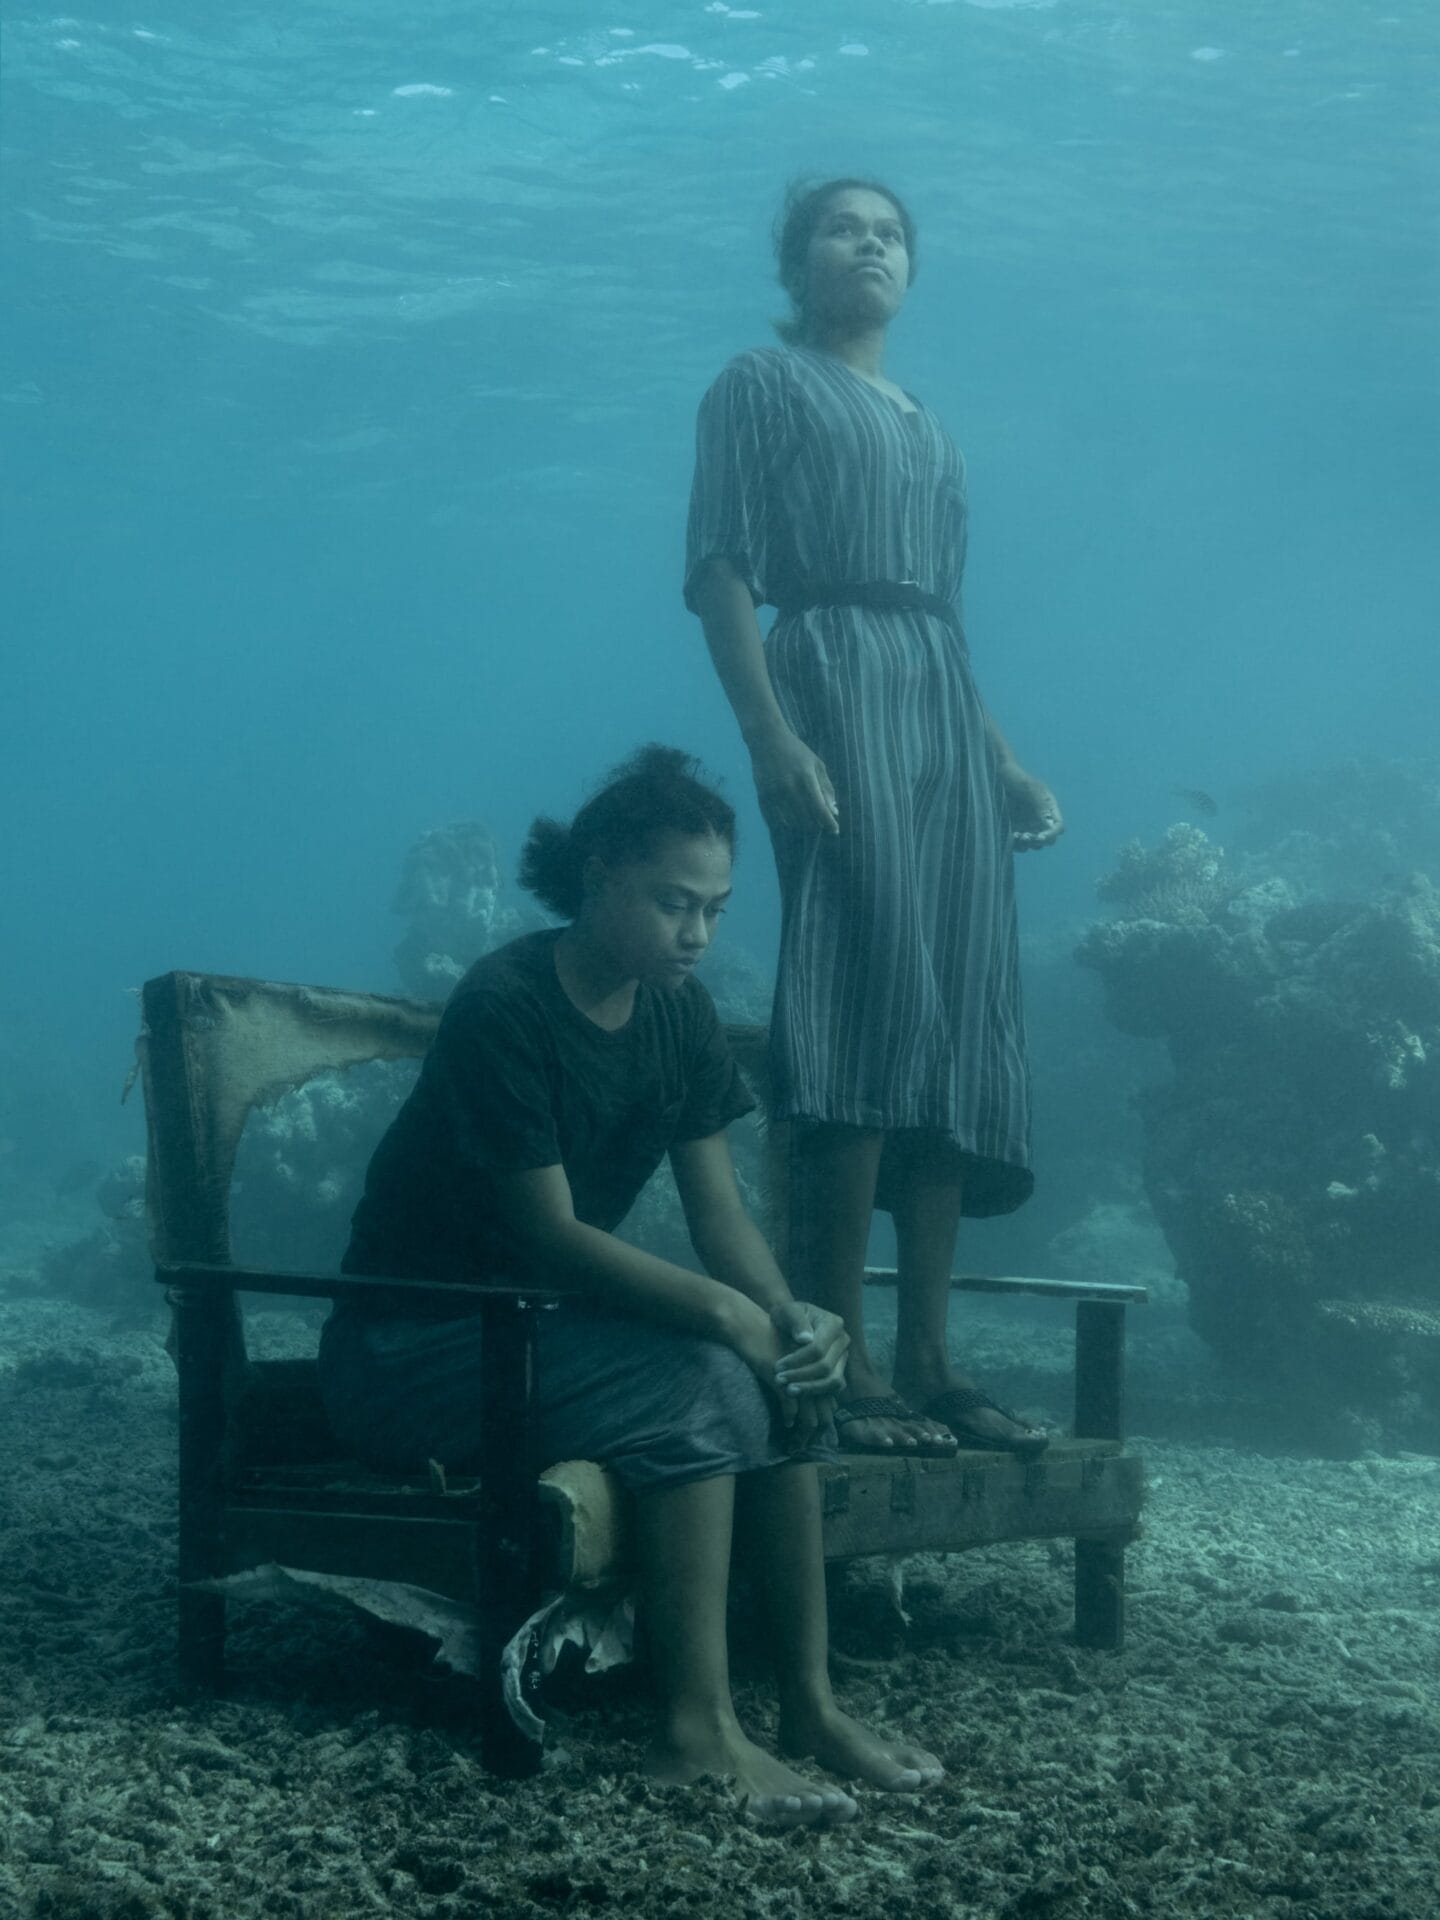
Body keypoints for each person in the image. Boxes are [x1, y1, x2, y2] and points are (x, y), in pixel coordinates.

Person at [317, 745, 943, 1828]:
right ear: (599, 870)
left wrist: (791, 1318)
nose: (696, 934)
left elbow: (720, 1218)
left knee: (786, 1374)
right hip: (408, 1351)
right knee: (703, 1382)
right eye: (671, 902)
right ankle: (694, 1731)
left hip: (534, 1338)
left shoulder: (677, 1013)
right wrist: (728, 1316)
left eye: (713, 909)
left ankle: (807, 1701)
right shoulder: (504, 1004)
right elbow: (552, 1235)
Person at [685, 179, 1063, 1460]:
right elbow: (722, 569)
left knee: (955, 1007)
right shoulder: (758, 381)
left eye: (893, 232)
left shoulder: (931, 428)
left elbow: (945, 614)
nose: (872, 245)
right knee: (860, 982)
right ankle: (836, 1355)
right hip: (830, 676)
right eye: (844, 228)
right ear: (798, 264)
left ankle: (935, 1358)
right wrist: (768, 733)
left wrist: (1003, 760)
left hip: (939, 703)